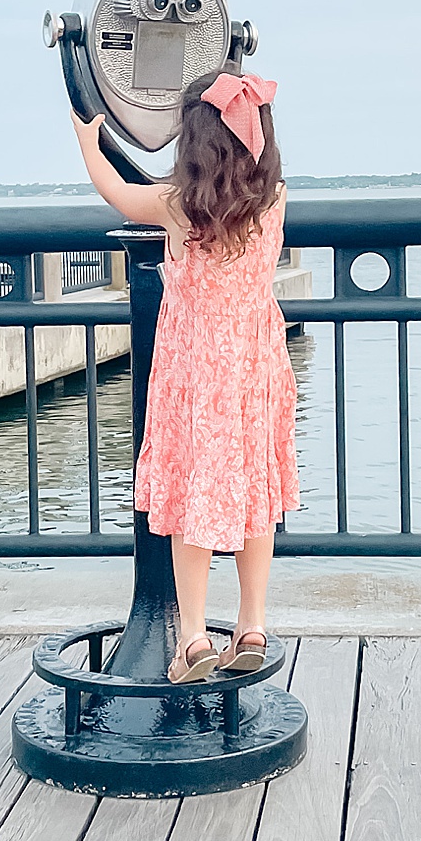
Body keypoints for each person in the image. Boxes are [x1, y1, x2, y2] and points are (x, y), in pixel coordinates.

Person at [71, 67, 299, 684]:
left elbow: (117, 193)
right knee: (255, 499)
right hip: (255, 367)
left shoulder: (179, 206)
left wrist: (88, 142)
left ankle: (193, 639)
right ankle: (251, 625)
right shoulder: (274, 200)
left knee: (190, 501)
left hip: (196, 372)